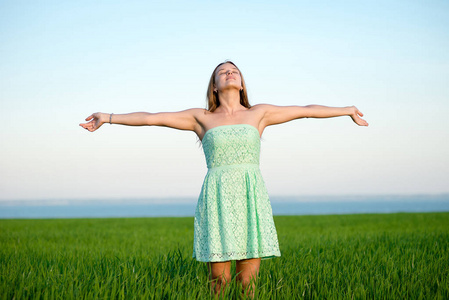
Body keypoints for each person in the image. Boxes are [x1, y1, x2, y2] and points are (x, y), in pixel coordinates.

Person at [80, 60, 368, 297]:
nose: (230, 73)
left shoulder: (260, 113)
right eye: (222, 72)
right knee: (219, 282)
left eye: (235, 71)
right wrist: (108, 117)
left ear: (241, 84)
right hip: (216, 197)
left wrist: (347, 111)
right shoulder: (201, 117)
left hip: (249, 195)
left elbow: (306, 111)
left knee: (249, 285)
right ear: (215, 86)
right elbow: (152, 117)